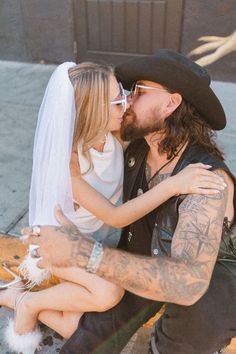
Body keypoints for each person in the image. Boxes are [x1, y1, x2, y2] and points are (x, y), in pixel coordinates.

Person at [1, 59, 222, 354]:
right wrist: (174, 185)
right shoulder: (71, 164)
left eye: (128, 94)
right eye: (119, 101)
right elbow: (115, 217)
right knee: (109, 293)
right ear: (94, 114)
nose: (127, 103)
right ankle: (24, 302)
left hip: (93, 244)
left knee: (76, 326)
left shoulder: (116, 136)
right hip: (60, 247)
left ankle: (17, 297)